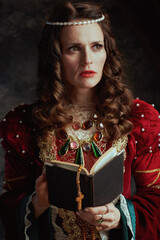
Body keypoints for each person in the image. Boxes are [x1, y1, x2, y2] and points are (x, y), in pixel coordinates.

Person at [0, 1, 160, 240]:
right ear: (55, 56)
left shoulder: (139, 118)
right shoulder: (23, 123)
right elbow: (9, 206)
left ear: (107, 50)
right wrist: (38, 203)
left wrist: (119, 217)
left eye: (96, 46)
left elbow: (155, 195)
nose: (88, 59)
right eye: (74, 48)